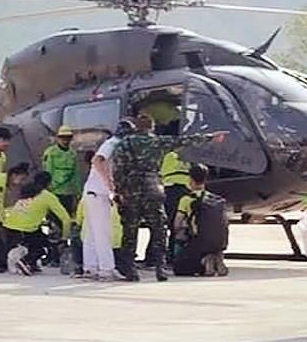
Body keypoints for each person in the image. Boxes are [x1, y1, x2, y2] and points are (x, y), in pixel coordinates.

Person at [112, 114, 228, 282]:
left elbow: (118, 169)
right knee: (159, 229)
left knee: (130, 230)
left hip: (132, 189)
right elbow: (183, 141)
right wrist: (210, 137)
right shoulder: (158, 141)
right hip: (153, 187)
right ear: (151, 127)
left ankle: (130, 270)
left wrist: (119, 191)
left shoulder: (125, 144)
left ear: (136, 127)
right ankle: (161, 268)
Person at [78, 119, 136, 280]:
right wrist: (109, 183)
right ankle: (107, 269)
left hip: (92, 193)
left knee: (91, 233)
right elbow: (97, 161)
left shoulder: (113, 142)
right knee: (103, 232)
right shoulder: (113, 144)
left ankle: (90, 268)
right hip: (98, 194)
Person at [4, 172, 72, 275]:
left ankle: (32, 264)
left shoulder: (27, 192)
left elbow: (28, 212)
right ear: (49, 183)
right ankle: (26, 261)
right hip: (25, 229)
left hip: (9, 227)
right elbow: (65, 219)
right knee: (45, 246)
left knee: (38, 234)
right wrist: (64, 238)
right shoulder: (47, 196)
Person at [173, 164, 229, 277]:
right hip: (218, 243)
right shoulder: (214, 199)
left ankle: (204, 262)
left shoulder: (187, 199)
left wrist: (178, 232)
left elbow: (177, 223)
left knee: (180, 269)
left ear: (190, 179)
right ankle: (215, 258)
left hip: (198, 242)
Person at [42, 125, 81, 215]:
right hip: (54, 192)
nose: (65, 140)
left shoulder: (73, 154)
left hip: (68, 193)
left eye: (68, 137)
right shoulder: (51, 153)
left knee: (67, 216)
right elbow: (47, 172)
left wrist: (78, 193)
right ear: (57, 138)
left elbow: (76, 175)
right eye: (62, 137)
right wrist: (48, 189)